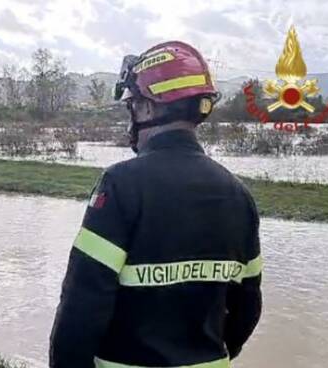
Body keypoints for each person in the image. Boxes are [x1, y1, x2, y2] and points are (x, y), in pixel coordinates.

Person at [49, 41, 263, 368]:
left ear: (148, 108)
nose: (131, 117)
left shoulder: (120, 185)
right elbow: (247, 308)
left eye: (132, 105)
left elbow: (82, 307)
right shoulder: (239, 195)